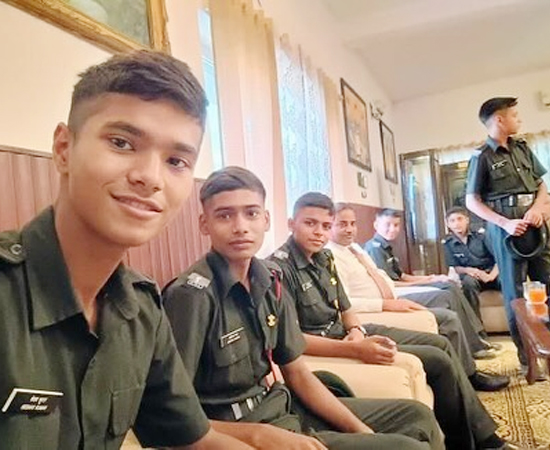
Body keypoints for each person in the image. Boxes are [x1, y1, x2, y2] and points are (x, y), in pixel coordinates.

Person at [0, 50, 250, 449]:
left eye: (176, 161)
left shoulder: (142, 309)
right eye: (122, 143)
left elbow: (194, 438)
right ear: (64, 149)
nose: (150, 178)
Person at [164, 167, 444, 450]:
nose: (240, 227)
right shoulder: (190, 297)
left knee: (416, 416)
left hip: (283, 407)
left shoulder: (270, 280)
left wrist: (363, 433)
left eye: (251, 213)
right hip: (238, 432)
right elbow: (169, 413)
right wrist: (258, 435)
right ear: (204, 224)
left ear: (266, 219)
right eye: (224, 216)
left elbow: (297, 373)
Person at [270, 192, 513, 450]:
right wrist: (354, 347)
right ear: (291, 224)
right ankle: (480, 442)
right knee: (437, 360)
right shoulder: (278, 270)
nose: (319, 232)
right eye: (310, 223)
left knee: (440, 343)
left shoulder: (324, 257)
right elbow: (292, 340)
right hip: (331, 345)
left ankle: (474, 437)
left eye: (325, 225)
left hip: (351, 333)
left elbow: (345, 306)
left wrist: (355, 329)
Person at [327, 202, 509, 392]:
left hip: (393, 293)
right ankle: (471, 365)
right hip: (389, 299)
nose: (350, 229)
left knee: (449, 290)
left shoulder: (355, 248)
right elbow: (345, 301)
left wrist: (429, 278)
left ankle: (474, 346)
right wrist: (386, 304)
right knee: (447, 297)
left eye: (353, 223)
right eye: (342, 224)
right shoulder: (335, 255)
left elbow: (388, 277)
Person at [465, 96, 550, 374]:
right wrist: (505, 223)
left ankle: (548, 349)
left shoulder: (522, 148)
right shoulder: (481, 156)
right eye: (514, 115)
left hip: (535, 225)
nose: (519, 119)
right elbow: (472, 201)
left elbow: (541, 185)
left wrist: (538, 208)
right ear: (499, 120)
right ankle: (528, 360)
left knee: (547, 286)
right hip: (506, 232)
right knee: (515, 297)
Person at [364, 209, 499, 359]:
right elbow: (391, 284)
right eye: (387, 225)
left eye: (396, 225)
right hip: (396, 292)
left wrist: (431, 277)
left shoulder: (386, 246)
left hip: (400, 286)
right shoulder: (375, 249)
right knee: (448, 288)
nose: (392, 229)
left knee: (449, 284)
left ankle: (475, 338)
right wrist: (428, 281)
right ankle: (475, 343)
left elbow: (402, 276)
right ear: (376, 225)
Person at [443, 206, 500, 321]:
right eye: (452, 221)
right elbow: (456, 267)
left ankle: (517, 323)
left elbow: (499, 259)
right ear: (448, 224)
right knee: (468, 283)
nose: (456, 223)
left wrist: (491, 276)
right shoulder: (448, 243)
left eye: (460, 219)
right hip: (473, 277)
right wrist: (471, 271)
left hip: (492, 273)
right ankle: (477, 327)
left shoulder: (482, 236)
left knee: (509, 281)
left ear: (467, 220)